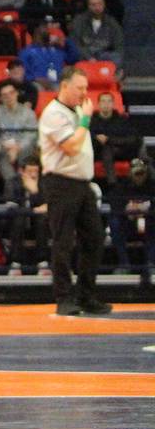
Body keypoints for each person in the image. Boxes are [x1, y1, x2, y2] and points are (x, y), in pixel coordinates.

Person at [38, 67, 109, 315]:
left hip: (82, 182)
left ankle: (86, 295)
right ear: (65, 86)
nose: (84, 93)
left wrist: (83, 117)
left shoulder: (77, 110)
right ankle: (64, 298)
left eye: (86, 88)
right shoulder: (53, 113)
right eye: (80, 88)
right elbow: (71, 146)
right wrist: (86, 120)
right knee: (63, 241)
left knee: (95, 238)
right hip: (61, 182)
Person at [108, 158, 154, 280]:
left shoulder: (152, 185)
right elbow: (115, 204)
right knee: (114, 222)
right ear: (130, 173)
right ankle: (124, 263)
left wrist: (147, 209)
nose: (139, 177)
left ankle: (151, 263)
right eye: (136, 174)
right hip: (128, 223)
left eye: (141, 173)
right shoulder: (122, 186)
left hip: (150, 222)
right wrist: (127, 209)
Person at [89, 91, 146, 179]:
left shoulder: (121, 120)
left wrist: (109, 140)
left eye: (109, 101)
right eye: (103, 101)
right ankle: (112, 184)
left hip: (120, 150)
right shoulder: (92, 121)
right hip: (97, 152)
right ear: (99, 104)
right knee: (106, 149)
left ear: (113, 104)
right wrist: (96, 138)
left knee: (138, 141)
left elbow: (133, 138)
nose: (106, 104)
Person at [68, 0, 123, 66]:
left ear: (104, 4)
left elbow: (119, 45)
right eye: (93, 5)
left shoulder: (112, 23)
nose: (97, 8)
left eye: (100, 4)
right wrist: (89, 57)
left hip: (104, 55)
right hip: (85, 55)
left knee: (116, 57)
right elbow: (75, 43)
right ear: (88, 6)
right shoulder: (79, 21)